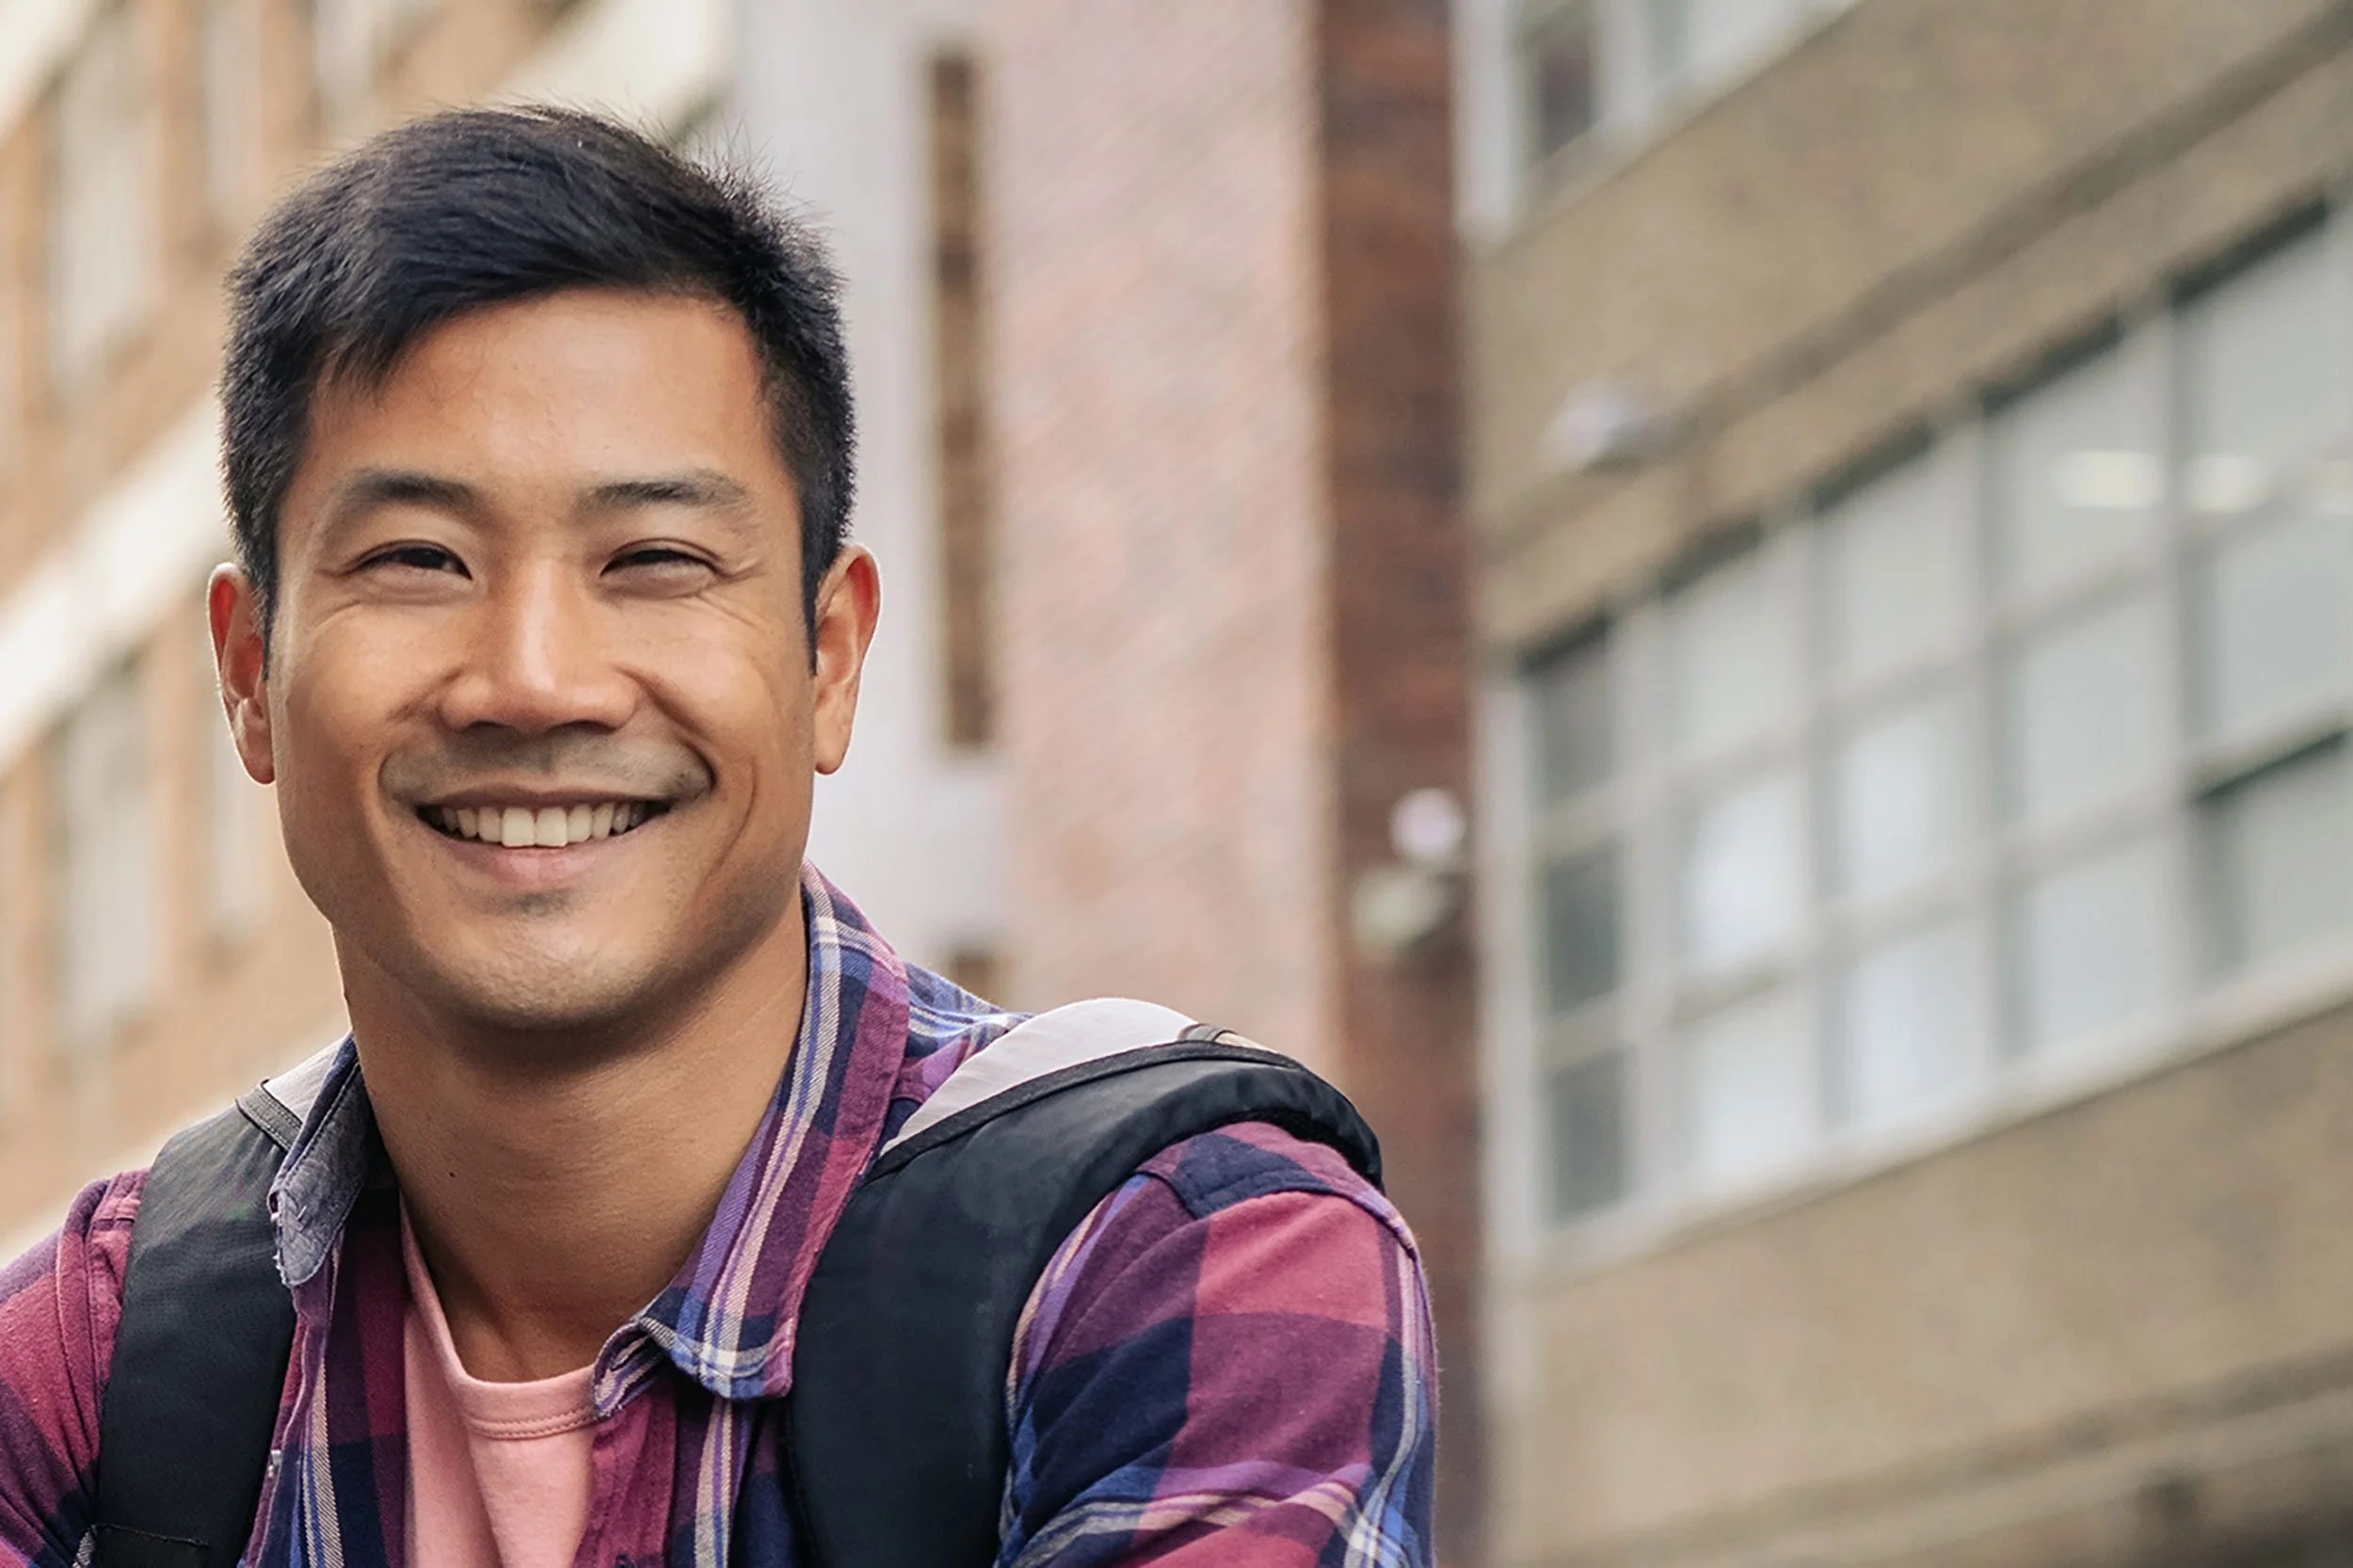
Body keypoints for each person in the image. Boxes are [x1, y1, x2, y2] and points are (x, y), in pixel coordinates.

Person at [0, 108, 1434, 1567]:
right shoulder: (91, 1359)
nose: (533, 678)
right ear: (249, 674)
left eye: (657, 560)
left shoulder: (1180, 1247)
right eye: (418, 560)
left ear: (828, 660)